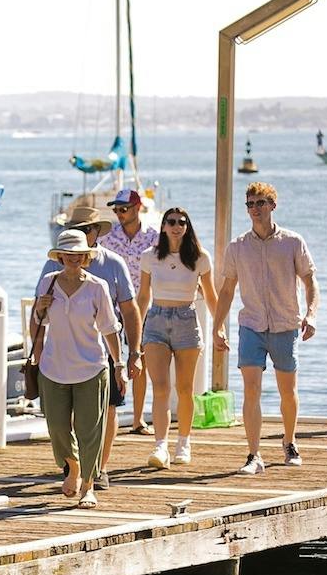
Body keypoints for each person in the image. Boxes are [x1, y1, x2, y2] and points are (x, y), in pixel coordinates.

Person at [213, 181, 318, 475]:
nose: (255, 209)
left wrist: (311, 315)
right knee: (251, 390)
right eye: (250, 204)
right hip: (251, 325)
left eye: (260, 203)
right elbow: (227, 290)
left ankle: (290, 442)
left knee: (288, 390)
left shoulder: (293, 242)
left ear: (273, 205)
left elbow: (310, 281)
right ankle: (253, 454)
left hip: (286, 324)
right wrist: (217, 326)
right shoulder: (237, 247)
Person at [35, 203, 141, 488]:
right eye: (75, 230)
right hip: (56, 362)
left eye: (85, 230)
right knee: (58, 424)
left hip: (97, 357)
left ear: (96, 232)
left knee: (101, 416)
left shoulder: (110, 269)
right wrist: (37, 352)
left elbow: (125, 313)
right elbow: (39, 318)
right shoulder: (49, 275)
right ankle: (74, 465)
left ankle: (95, 475)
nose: (73, 256)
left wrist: (129, 357)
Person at [135, 206, 217, 468]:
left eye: (182, 222)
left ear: (187, 226)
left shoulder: (200, 257)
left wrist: (219, 328)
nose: (176, 226)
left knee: (184, 388)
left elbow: (211, 295)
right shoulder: (149, 256)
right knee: (160, 387)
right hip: (156, 320)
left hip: (186, 321)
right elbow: (143, 296)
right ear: (163, 226)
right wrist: (136, 330)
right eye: (171, 222)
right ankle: (160, 446)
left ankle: (183, 442)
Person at [101, 189, 158, 431]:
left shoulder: (155, 238)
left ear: (137, 208)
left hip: (142, 306)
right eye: (116, 210)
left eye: (123, 209)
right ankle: (106, 413)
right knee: (106, 358)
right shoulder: (107, 238)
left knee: (139, 359)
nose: (119, 214)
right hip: (111, 306)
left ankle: (138, 419)